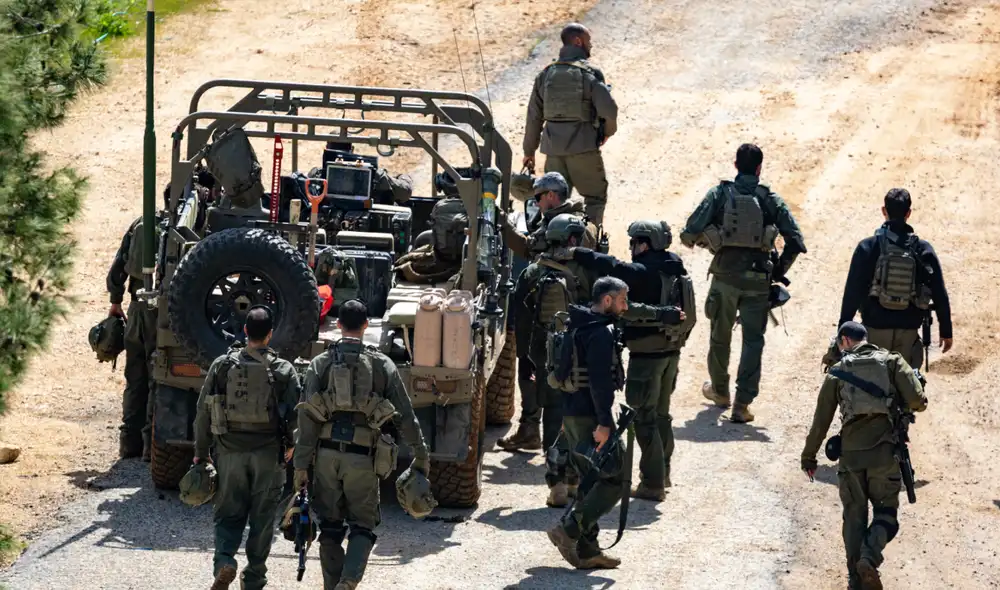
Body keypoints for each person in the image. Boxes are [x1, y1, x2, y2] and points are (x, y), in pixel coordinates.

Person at [293, 299, 430, 590]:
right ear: (366, 325)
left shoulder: (321, 363)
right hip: (364, 458)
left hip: (327, 456)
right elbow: (406, 415)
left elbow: (306, 421)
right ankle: (349, 579)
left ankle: (334, 586)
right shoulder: (382, 364)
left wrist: (300, 466)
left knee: (329, 527)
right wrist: (420, 455)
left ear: (338, 324)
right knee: (363, 526)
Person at [564, 219, 694, 500]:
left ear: (644, 243)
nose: (632, 248)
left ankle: (652, 483)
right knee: (661, 416)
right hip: (671, 354)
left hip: (646, 358)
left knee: (643, 419)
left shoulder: (642, 271)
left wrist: (578, 253)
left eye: (634, 243)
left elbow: (615, 268)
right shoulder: (674, 265)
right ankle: (662, 473)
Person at [680, 143, 807, 423]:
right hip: (759, 281)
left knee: (719, 336)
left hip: (724, 278)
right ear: (759, 168)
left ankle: (720, 392)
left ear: (735, 165)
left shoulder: (720, 193)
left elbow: (689, 232)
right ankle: (742, 404)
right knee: (753, 341)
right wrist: (777, 271)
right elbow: (796, 241)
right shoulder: (769, 199)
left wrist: (708, 240)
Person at [801, 321, 928, 590]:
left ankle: (855, 579)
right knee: (886, 514)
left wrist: (809, 457)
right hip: (885, 455)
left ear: (845, 341)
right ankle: (869, 558)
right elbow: (919, 401)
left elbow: (820, 421)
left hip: (851, 457)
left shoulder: (837, 372)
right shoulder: (892, 362)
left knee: (854, 517)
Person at [192, 305, 301, 590]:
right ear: (270, 335)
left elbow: (203, 412)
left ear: (244, 331)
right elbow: (296, 415)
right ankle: (253, 578)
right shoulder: (283, 369)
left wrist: (201, 453)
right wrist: (293, 446)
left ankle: (225, 560)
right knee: (263, 519)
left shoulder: (222, 365)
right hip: (268, 455)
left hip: (229, 453)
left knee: (228, 513)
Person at [498, 214, 595, 506]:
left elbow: (521, 321)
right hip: (584, 357)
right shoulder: (587, 270)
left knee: (553, 416)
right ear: (573, 239)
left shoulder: (531, 272)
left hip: (548, 358)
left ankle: (557, 486)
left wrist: (524, 358)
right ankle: (577, 480)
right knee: (580, 418)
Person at [546, 276, 630, 569]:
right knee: (615, 477)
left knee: (589, 480)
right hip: (590, 417)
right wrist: (604, 424)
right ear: (607, 300)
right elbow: (599, 384)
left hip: (571, 413)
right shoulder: (601, 333)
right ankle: (568, 530)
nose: (625, 306)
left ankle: (587, 549)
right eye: (622, 300)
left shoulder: (577, 324)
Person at [837, 188, 952, 369]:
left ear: (884, 211)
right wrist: (946, 330)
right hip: (908, 333)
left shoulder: (868, 247)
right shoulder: (922, 249)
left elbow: (852, 292)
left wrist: (843, 331)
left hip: (874, 331)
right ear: (908, 213)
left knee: (872, 388)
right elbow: (938, 291)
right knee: (906, 387)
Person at [522, 23, 618, 226]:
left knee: (553, 201)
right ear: (578, 41)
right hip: (584, 149)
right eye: (588, 41)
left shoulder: (545, 75)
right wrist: (607, 133)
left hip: (553, 152)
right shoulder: (590, 73)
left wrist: (529, 151)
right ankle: (590, 244)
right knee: (594, 198)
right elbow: (609, 110)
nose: (590, 46)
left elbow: (533, 117)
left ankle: (550, 244)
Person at [106, 191, 168, 460]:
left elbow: (117, 269)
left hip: (135, 308)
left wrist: (116, 301)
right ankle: (149, 447)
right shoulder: (178, 227)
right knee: (158, 378)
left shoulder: (139, 224)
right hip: (161, 315)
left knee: (135, 378)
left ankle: (128, 443)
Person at [499, 171, 596, 261]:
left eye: (537, 198)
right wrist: (503, 223)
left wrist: (546, 256)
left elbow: (578, 256)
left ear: (550, 195)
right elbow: (530, 248)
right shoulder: (550, 221)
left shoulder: (577, 224)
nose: (536, 204)